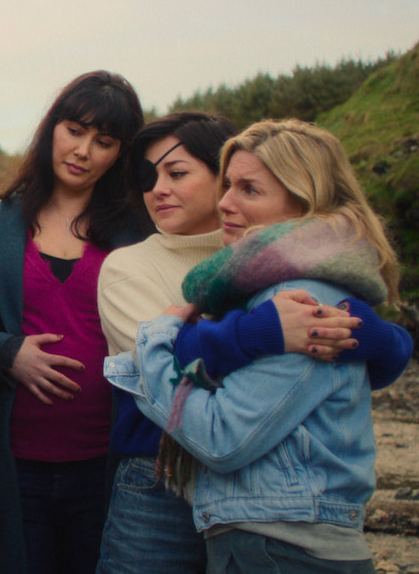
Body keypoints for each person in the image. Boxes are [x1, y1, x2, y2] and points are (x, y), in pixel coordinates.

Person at [95, 112, 412, 574]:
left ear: (304, 198)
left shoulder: (276, 280)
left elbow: (182, 381)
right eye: (148, 175)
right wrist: (264, 330)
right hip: (163, 472)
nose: (158, 188)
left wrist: (379, 336)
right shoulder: (222, 275)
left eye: (178, 172)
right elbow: (169, 357)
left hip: (266, 513)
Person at [0, 70, 148, 574]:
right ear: (51, 129)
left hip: (108, 462)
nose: (83, 150)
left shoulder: (136, 234)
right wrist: (7, 352)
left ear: (120, 154)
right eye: (75, 130)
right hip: (11, 461)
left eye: (103, 141)